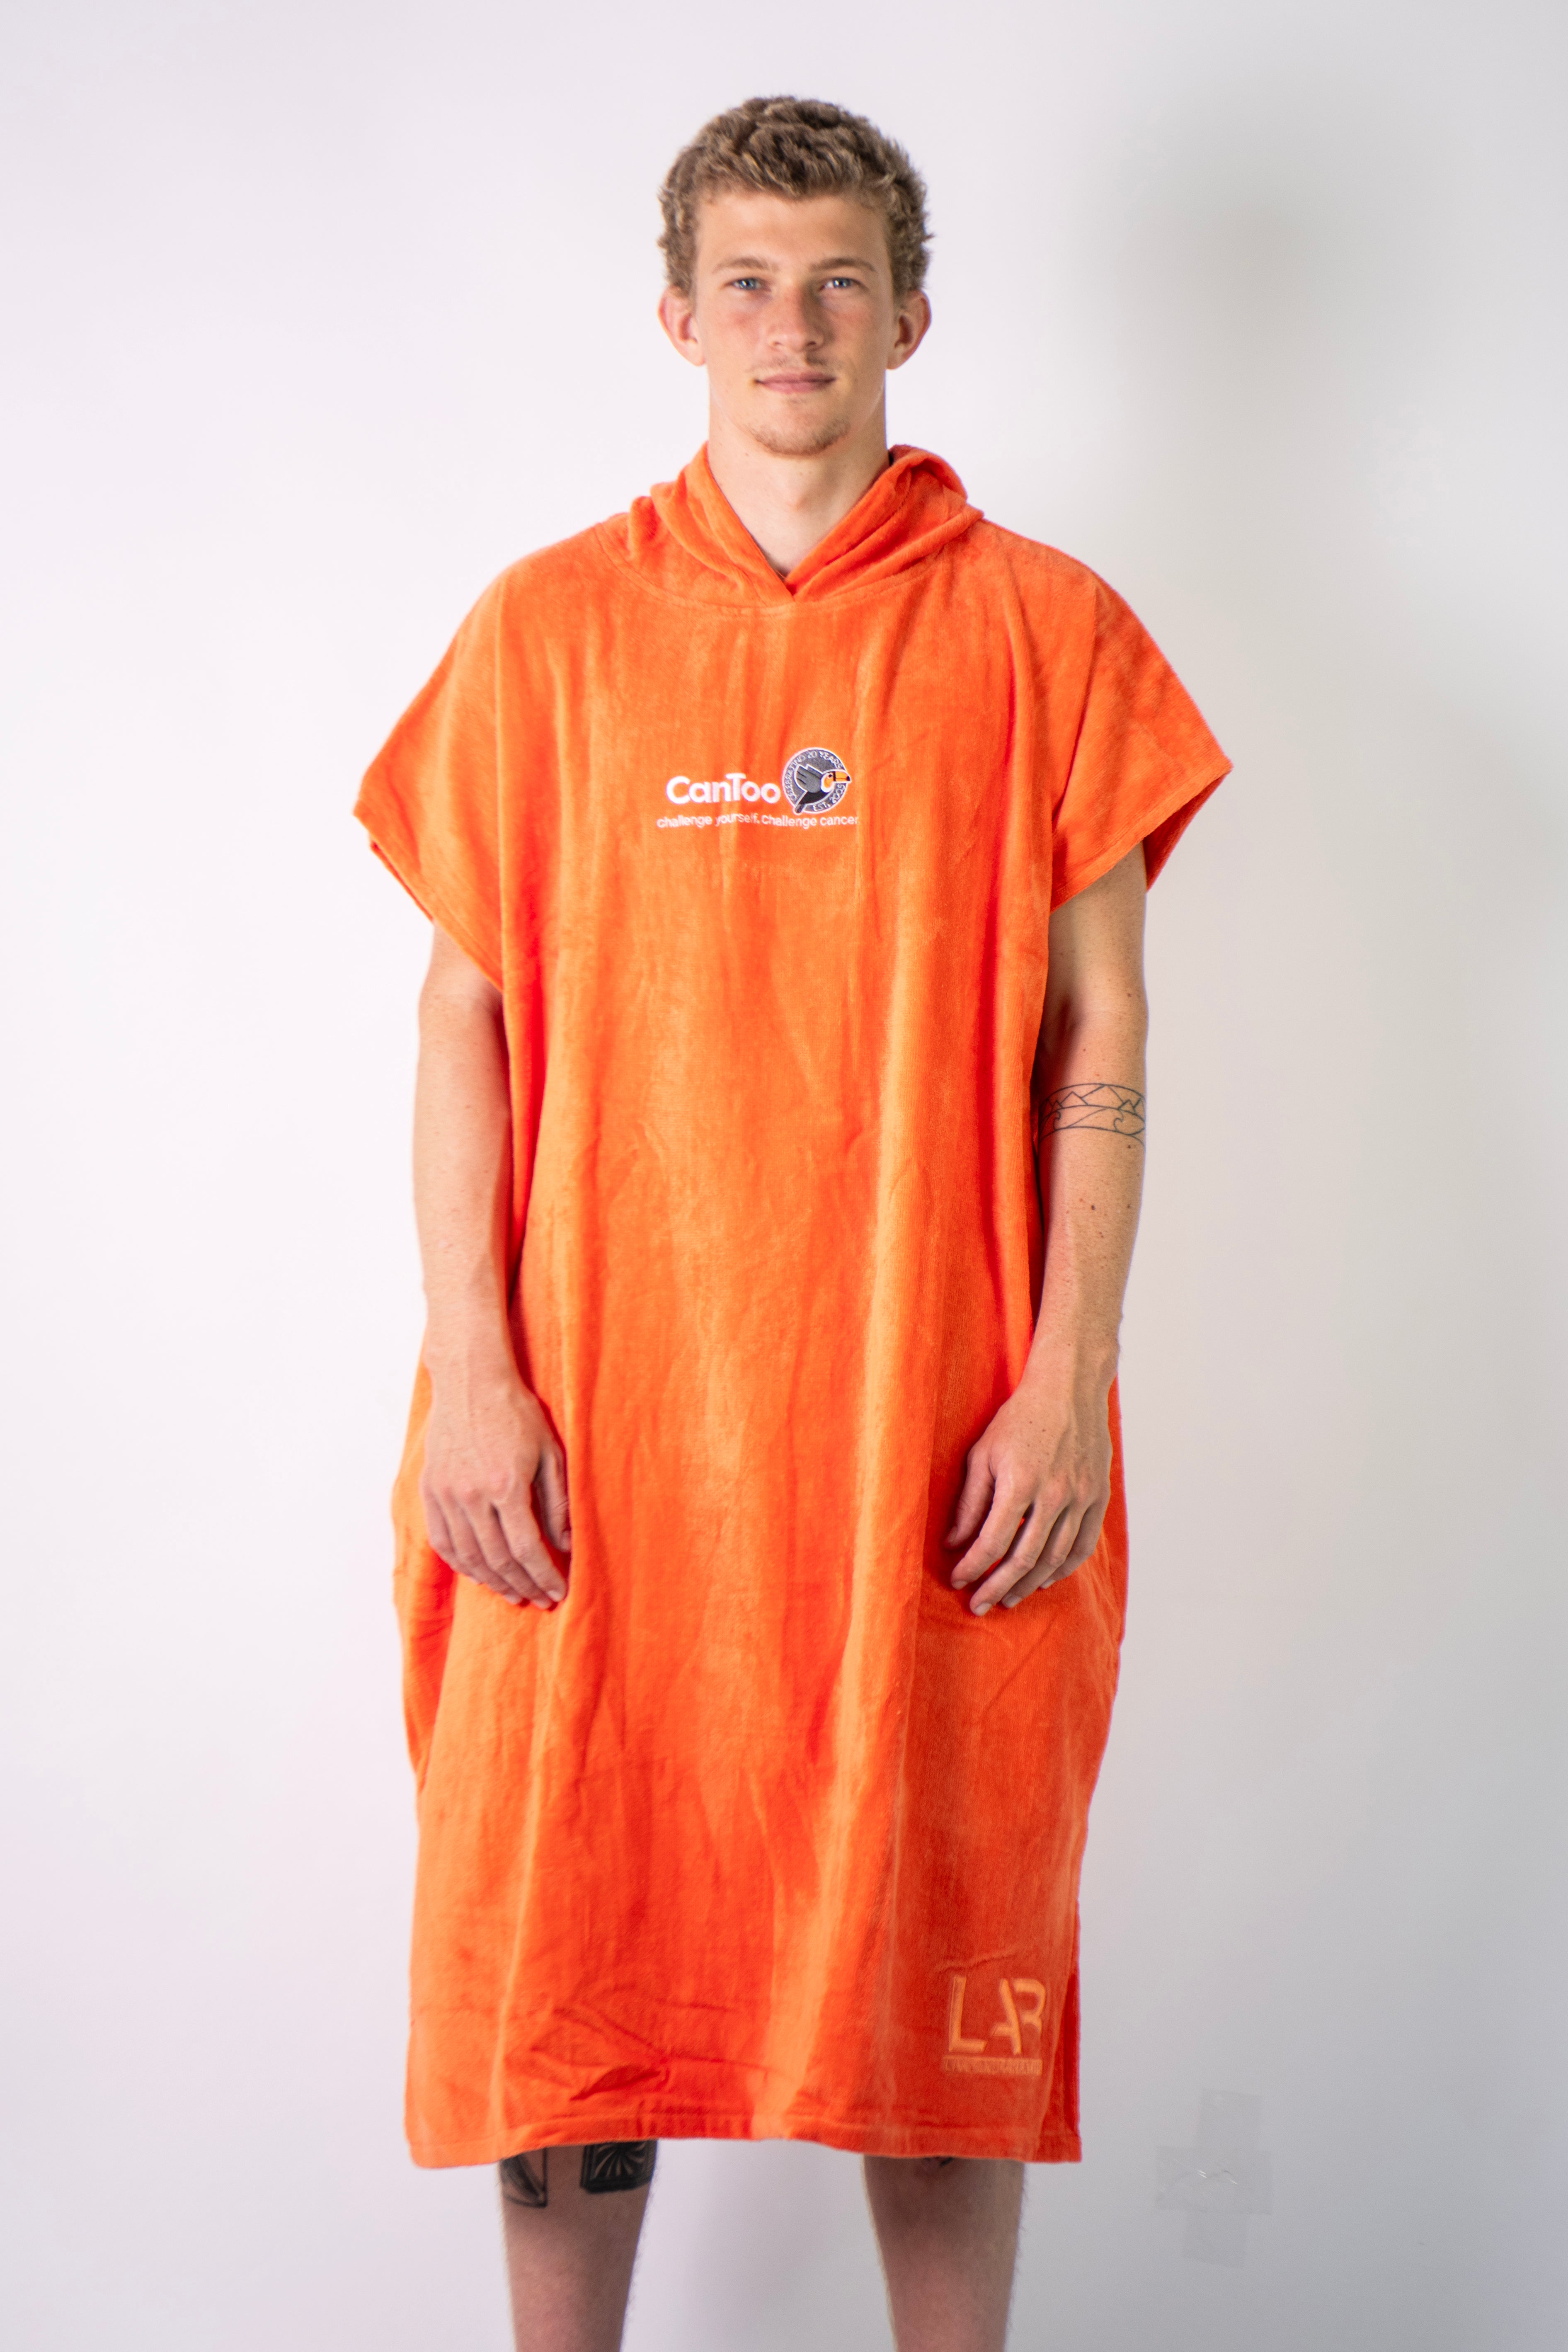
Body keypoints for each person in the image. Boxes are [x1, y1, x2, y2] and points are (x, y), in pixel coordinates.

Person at [356, 94, 1229, 2352]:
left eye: (840, 281)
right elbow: (459, 1018)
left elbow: (1104, 1029)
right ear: (676, 317)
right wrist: (476, 1369)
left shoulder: (1044, 632)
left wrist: (1067, 1381)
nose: (792, 326)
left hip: (929, 1435)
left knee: (933, 1962)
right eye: (746, 282)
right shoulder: (550, 633)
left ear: (910, 316)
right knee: (568, 1965)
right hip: (597, 1436)